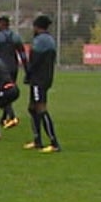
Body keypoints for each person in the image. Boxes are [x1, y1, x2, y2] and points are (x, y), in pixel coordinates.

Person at [24, 15, 62, 153]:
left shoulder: (40, 41)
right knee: (32, 108)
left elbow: (34, 60)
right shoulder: (50, 39)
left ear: (37, 27)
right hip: (45, 78)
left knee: (40, 108)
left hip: (38, 79)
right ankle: (37, 140)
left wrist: (28, 74)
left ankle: (54, 143)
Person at [0, 15, 28, 128]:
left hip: (2, 69)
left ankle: (12, 116)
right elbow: (22, 54)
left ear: (2, 24)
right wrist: (27, 70)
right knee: (9, 92)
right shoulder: (16, 37)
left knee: (3, 92)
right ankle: (4, 118)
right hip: (13, 68)